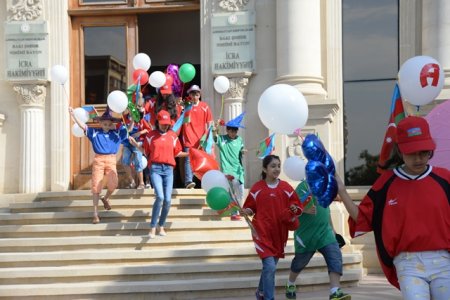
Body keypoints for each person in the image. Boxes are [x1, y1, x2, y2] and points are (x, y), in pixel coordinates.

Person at [336, 116, 450, 300]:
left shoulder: (444, 179)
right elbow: (362, 218)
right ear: (400, 150)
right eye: (412, 152)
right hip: (408, 264)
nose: (418, 158)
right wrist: (342, 191)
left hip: (444, 260)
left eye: (424, 152)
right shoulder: (386, 183)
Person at [240, 155, 303, 300]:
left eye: (278, 166)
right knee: (270, 266)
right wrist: (246, 211)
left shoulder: (286, 188)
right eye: (273, 166)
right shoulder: (257, 188)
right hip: (261, 233)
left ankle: (260, 292)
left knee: (269, 267)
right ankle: (269, 297)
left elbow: (298, 207)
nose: (277, 169)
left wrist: (294, 208)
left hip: (279, 235)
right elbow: (250, 207)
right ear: (265, 169)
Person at [285, 180, 350, 300]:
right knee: (300, 263)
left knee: (335, 256)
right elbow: (291, 207)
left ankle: (335, 291)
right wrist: (305, 210)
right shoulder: (303, 187)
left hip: (325, 233)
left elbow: (326, 211)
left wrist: (333, 231)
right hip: (306, 235)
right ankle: (290, 284)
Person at [130, 110, 188, 238]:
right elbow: (145, 151)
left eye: (167, 124)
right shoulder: (151, 135)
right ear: (157, 122)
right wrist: (135, 144)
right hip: (155, 168)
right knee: (160, 197)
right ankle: (152, 227)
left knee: (168, 200)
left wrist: (190, 154)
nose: (165, 126)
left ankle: (161, 226)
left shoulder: (173, 136)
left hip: (168, 170)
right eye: (162, 123)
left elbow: (177, 153)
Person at [69, 107, 127, 224]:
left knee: (113, 183)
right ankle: (95, 213)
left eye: (109, 123)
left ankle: (105, 198)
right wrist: (74, 116)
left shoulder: (116, 133)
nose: (106, 124)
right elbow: (82, 126)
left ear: (112, 123)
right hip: (99, 159)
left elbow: (128, 128)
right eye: (104, 122)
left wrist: (131, 120)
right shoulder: (94, 132)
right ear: (100, 123)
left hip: (111, 159)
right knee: (96, 186)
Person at [213, 112, 247, 221]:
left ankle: (236, 210)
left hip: (239, 170)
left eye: (235, 130)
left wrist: (243, 151)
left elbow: (241, 149)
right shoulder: (222, 139)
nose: (233, 132)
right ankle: (234, 213)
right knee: (232, 192)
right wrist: (215, 127)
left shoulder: (239, 139)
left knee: (241, 192)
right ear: (227, 130)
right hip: (228, 170)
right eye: (231, 130)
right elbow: (214, 137)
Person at [181, 85, 213, 189]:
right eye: (192, 94)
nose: (195, 96)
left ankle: (204, 181)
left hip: (201, 139)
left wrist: (208, 137)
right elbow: (180, 121)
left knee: (201, 160)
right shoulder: (186, 107)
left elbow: (209, 123)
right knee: (188, 159)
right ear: (189, 95)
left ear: (199, 95)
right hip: (189, 138)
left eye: (197, 94)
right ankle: (188, 181)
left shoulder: (205, 106)